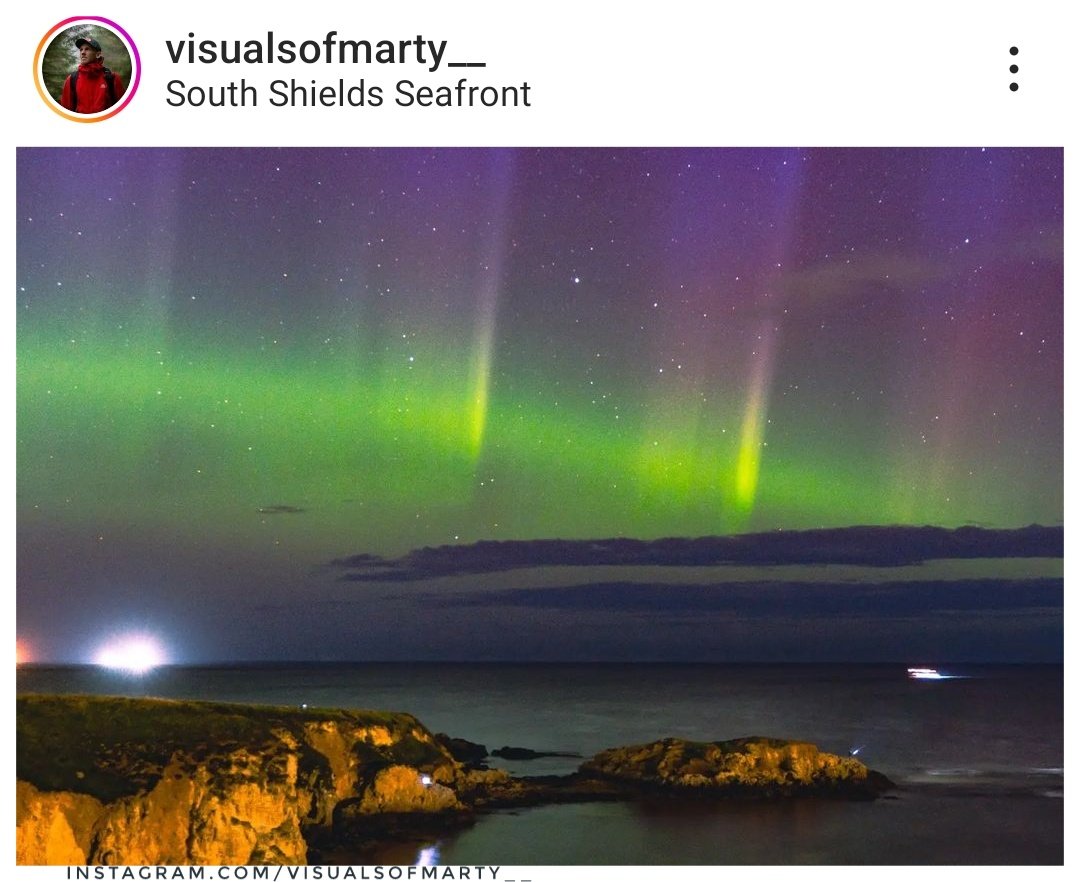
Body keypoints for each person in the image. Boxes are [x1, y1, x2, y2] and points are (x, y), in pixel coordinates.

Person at [60, 37, 125, 113]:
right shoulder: (71, 79)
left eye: (87, 49)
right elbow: (65, 111)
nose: (83, 52)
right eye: (81, 49)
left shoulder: (112, 78)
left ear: (98, 54)